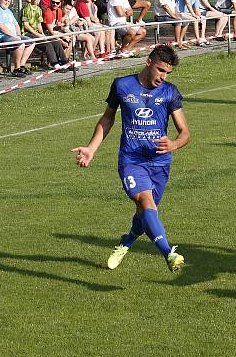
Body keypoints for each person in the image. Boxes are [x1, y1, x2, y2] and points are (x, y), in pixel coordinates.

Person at [72, 45, 189, 272]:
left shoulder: (169, 92)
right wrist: (92, 148)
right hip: (131, 160)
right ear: (148, 62)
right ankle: (169, 254)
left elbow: (185, 132)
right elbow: (107, 119)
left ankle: (126, 242)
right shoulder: (122, 85)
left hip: (160, 162)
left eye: (167, 73)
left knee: (147, 212)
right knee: (145, 202)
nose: (163, 77)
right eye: (160, 70)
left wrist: (174, 144)